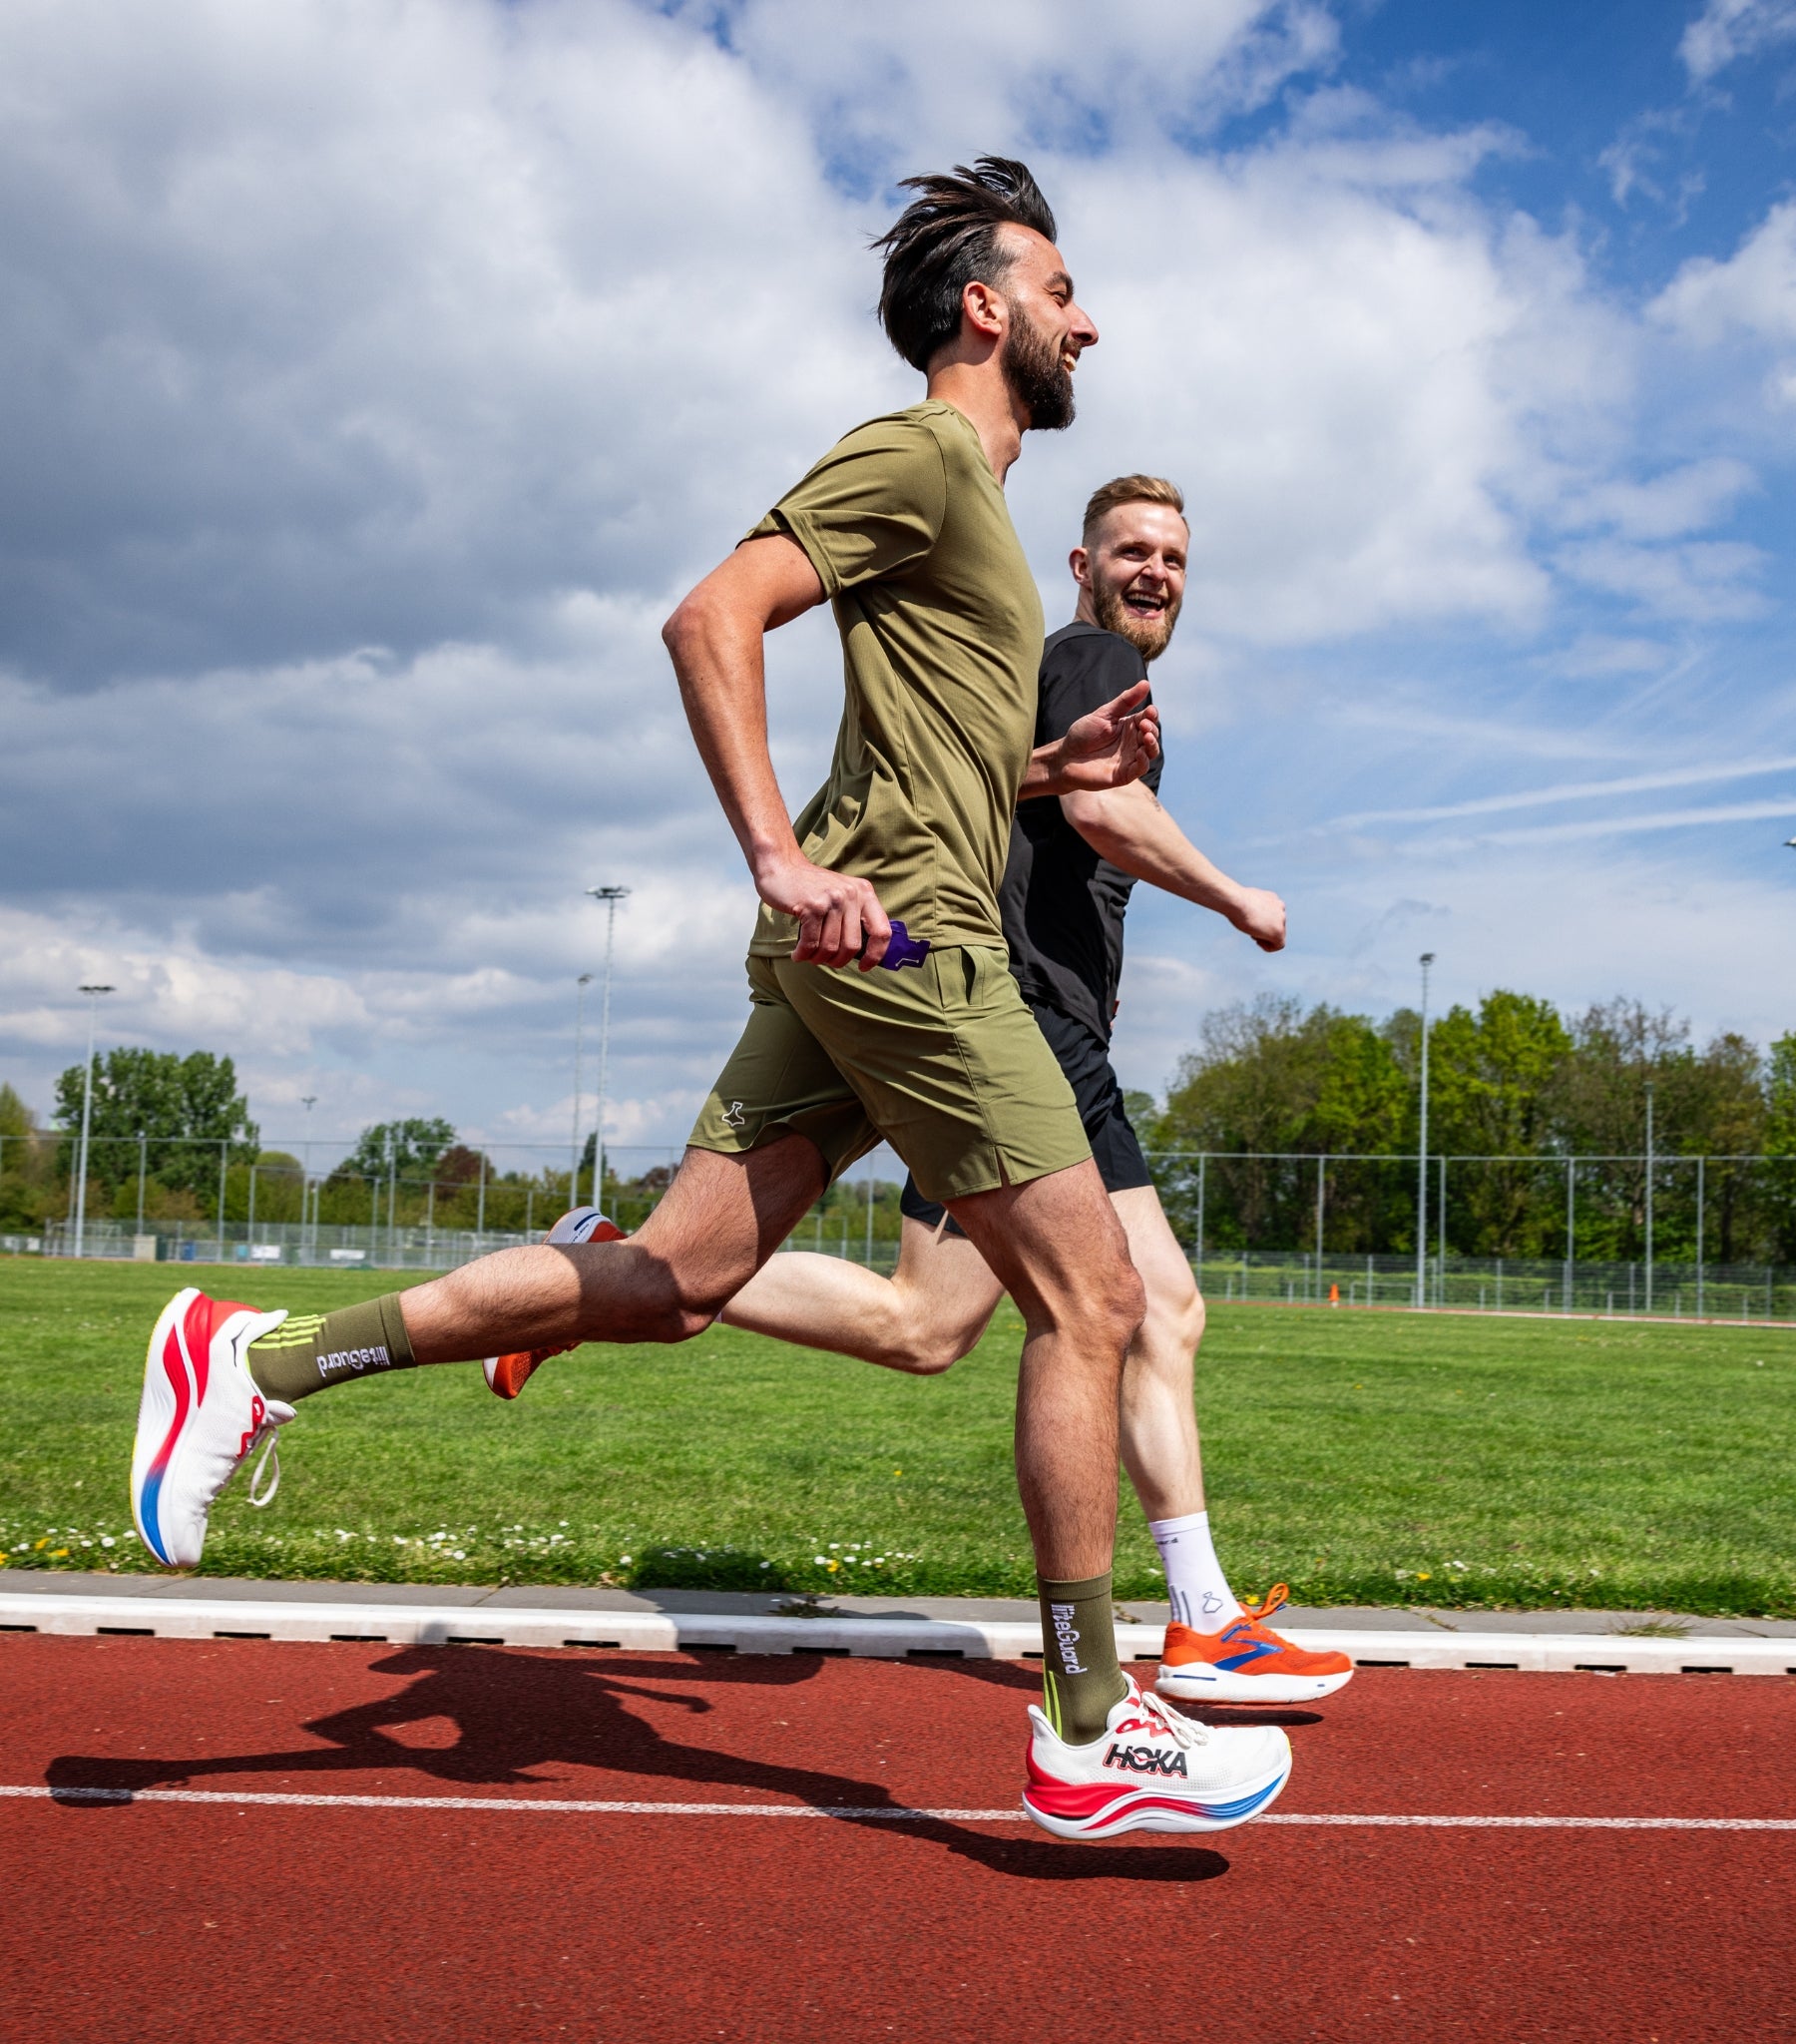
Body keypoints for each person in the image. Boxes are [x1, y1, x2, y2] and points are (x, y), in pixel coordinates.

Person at [128, 157, 1291, 1839]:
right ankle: (1090, 1714)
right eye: (1057, 288)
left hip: (870, 942)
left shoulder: (971, 509)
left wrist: (1052, 763)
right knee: (1093, 1302)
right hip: (911, 947)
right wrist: (774, 855)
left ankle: (262, 1355)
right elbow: (708, 616)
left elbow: (936, 760)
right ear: (984, 308)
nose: (1082, 316)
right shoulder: (919, 452)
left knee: (672, 1279)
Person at [497, 476, 1353, 1709]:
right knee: (1152, 1307)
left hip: (1023, 1026)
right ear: (1080, 562)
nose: (1154, 571)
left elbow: (1027, 792)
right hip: (1027, 1036)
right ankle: (1197, 1616)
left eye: (1172, 555)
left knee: (927, 1325)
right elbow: (1106, 813)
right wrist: (1232, 895)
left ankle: (606, 1260)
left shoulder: (1067, 681)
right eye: (1131, 550)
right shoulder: (1089, 655)